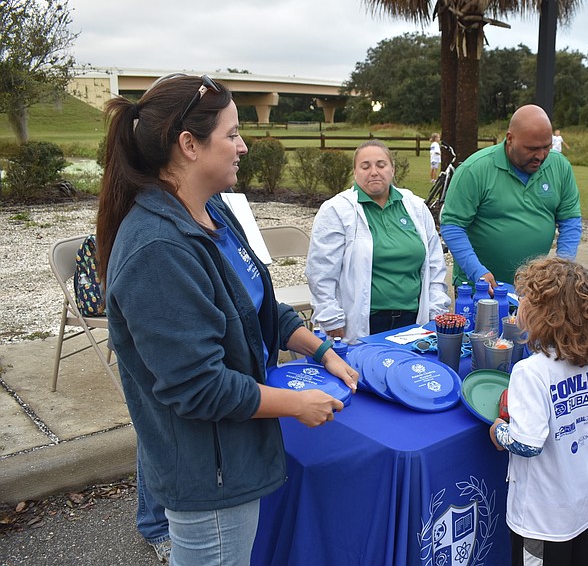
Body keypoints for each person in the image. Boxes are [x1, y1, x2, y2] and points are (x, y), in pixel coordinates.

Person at [96, 74, 358, 566]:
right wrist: (296, 404)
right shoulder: (158, 249)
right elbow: (199, 387)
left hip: (235, 450)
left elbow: (258, 309)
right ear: (188, 145)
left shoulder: (214, 211)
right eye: (232, 134)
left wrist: (322, 350)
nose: (243, 146)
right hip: (207, 471)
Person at [489, 257, 588, 566]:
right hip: (578, 505)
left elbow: (527, 443)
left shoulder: (530, 371)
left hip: (539, 517)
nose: (520, 303)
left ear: (546, 315)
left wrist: (499, 431)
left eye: (526, 298)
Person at [306, 139, 451, 343]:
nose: (374, 172)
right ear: (355, 172)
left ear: (392, 169)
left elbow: (435, 264)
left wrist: (436, 309)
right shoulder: (337, 210)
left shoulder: (416, 207)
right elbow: (320, 272)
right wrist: (330, 318)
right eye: (365, 166)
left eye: (381, 165)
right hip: (363, 323)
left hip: (414, 321)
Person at [441, 105, 582, 291]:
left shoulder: (559, 166)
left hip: (534, 289)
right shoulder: (474, 170)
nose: (540, 156)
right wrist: (477, 271)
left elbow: (570, 220)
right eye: (531, 148)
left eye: (546, 147)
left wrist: (562, 269)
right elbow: (452, 226)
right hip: (480, 287)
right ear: (510, 139)